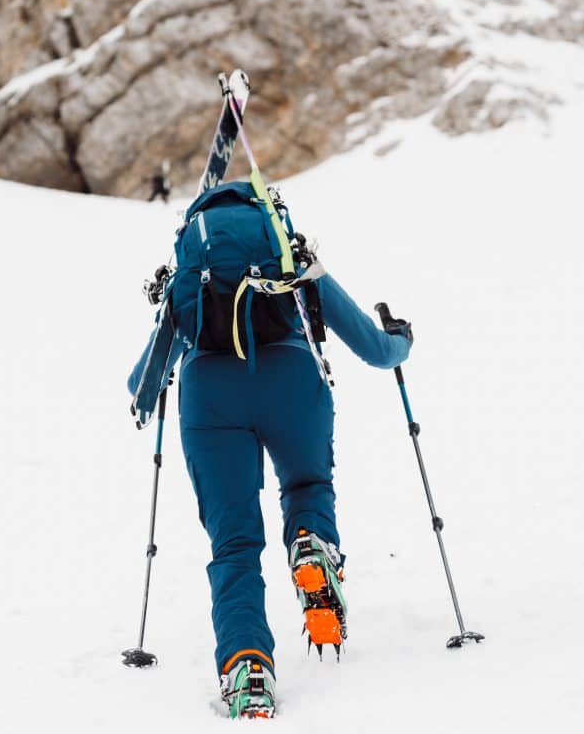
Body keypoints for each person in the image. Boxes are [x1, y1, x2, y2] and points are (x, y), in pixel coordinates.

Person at [125, 179, 413, 718]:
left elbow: (143, 389)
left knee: (233, 545)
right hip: (293, 383)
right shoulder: (288, 255)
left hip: (210, 402)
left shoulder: (189, 277)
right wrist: (401, 337)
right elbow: (375, 350)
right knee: (307, 486)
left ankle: (248, 671)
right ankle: (311, 544)